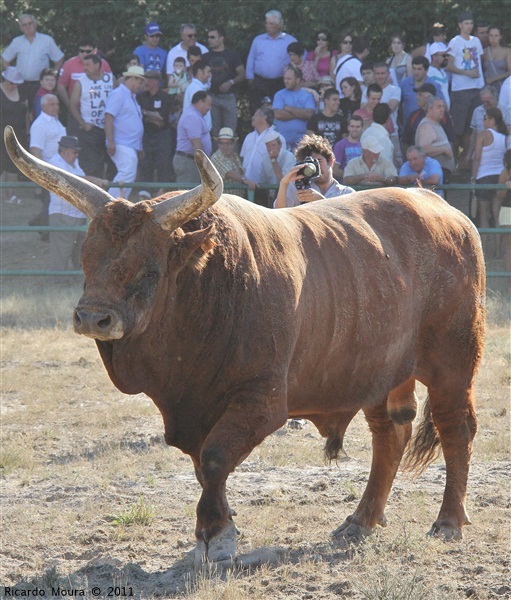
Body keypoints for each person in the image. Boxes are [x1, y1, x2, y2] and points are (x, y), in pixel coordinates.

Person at [48, 135, 108, 273]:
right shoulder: (55, 163)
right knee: (61, 250)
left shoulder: (74, 164)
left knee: (80, 249)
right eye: (75, 152)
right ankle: (58, 281)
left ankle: (77, 278)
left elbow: (81, 180)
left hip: (77, 213)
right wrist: (94, 180)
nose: (77, 155)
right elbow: (73, 180)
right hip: (63, 214)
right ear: (65, 151)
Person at [446, 12, 485, 165]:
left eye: (471, 23)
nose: (469, 26)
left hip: (477, 88)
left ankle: (466, 162)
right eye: (466, 23)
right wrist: (467, 73)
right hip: (461, 90)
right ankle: (454, 161)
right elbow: (449, 65)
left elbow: (479, 62)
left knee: (472, 127)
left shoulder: (476, 41)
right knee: (457, 129)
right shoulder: (455, 42)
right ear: (460, 25)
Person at [274, 133, 354, 208]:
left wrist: (320, 200)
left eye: (319, 161)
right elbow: (279, 213)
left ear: (330, 161)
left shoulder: (346, 193)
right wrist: (284, 184)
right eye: (310, 164)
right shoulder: (298, 188)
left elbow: (348, 219)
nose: (316, 168)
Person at [1, 14, 64, 107]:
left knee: (39, 112)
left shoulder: (46, 40)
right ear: (21, 28)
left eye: (30, 23)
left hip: (40, 85)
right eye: (24, 25)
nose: (28, 26)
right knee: (21, 113)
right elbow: (5, 59)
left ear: (35, 24)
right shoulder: (17, 42)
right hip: (20, 85)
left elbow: (59, 58)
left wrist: (52, 75)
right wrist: (11, 76)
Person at [69, 54, 115, 178]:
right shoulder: (81, 83)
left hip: (109, 128)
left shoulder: (110, 79)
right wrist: (83, 124)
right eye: (84, 65)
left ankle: (112, 193)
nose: (85, 68)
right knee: (93, 164)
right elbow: (73, 105)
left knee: (112, 162)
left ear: (97, 65)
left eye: (88, 65)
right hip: (91, 129)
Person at [104, 65, 145, 199]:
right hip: (120, 142)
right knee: (127, 171)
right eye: (139, 81)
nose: (140, 85)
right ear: (132, 79)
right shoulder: (118, 94)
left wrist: (139, 146)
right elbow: (109, 117)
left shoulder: (131, 97)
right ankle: (109, 204)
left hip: (129, 144)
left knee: (128, 173)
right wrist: (110, 141)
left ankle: (116, 202)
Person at [57, 37, 112, 134]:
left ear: (95, 51)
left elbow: (111, 84)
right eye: (81, 51)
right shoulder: (69, 64)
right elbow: (61, 86)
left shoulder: (103, 64)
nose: (84, 54)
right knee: (75, 141)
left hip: (101, 110)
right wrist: (70, 106)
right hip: (77, 109)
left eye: (88, 51)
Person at [246, 10, 297, 112]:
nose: (268, 26)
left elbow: (300, 60)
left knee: (278, 110)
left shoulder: (290, 41)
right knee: (257, 111)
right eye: (266, 23)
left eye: (271, 23)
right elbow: (251, 58)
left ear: (279, 25)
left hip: (280, 82)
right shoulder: (258, 40)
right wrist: (250, 78)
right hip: (260, 81)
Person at [203, 26, 246, 139]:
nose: (209, 40)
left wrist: (230, 82)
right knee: (214, 133)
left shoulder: (232, 55)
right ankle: (215, 157)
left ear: (221, 38)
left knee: (230, 133)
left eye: (213, 37)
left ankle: (232, 157)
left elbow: (242, 74)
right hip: (211, 97)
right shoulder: (205, 57)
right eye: (208, 37)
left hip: (228, 98)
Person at [137, 70, 173, 196]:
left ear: (156, 82)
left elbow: (162, 119)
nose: (147, 82)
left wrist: (146, 113)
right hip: (146, 135)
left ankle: (161, 192)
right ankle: (146, 193)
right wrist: (152, 116)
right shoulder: (141, 97)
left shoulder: (165, 97)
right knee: (146, 164)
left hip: (162, 135)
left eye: (150, 79)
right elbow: (140, 115)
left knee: (162, 163)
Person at [471, 107, 507, 229]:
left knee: (484, 218)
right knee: (497, 216)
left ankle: (483, 247)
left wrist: (473, 177)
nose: (483, 121)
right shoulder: (504, 137)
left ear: (492, 120)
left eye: (485, 118)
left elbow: (477, 158)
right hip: (500, 177)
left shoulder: (483, 134)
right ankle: (497, 248)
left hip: (483, 177)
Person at [0, 67, 28, 204]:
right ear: (5, 79)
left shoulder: (22, 92)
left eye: (17, 83)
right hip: (1, 135)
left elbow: (26, 112)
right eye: (12, 83)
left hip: (18, 135)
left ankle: (10, 195)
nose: (15, 85)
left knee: (13, 164)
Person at [240, 107, 285, 191]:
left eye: (255, 115)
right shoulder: (249, 137)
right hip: (245, 186)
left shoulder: (277, 138)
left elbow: (280, 161)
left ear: (264, 117)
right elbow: (243, 158)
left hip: (265, 187)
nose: (252, 117)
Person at [272, 66, 316, 150]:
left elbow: (309, 114)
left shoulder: (307, 96)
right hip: (281, 142)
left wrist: (288, 108)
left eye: (289, 79)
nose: (286, 81)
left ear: (298, 80)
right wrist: (300, 114)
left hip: (301, 142)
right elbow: (278, 115)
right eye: (285, 78)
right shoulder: (279, 95)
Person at [173, 91, 212, 183]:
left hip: (190, 161)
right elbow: (196, 143)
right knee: (188, 195)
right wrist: (204, 164)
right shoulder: (192, 117)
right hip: (187, 161)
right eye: (209, 104)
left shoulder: (194, 115)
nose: (209, 108)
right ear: (200, 102)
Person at [415, 97, 455, 182]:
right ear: (429, 109)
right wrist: (443, 149)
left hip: (442, 172)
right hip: (436, 173)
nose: (442, 110)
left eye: (443, 107)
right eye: (439, 107)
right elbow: (422, 149)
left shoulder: (435, 124)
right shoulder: (427, 125)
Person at [400, 56, 444, 126]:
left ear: (426, 70)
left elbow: (443, 105)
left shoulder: (434, 85)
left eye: (419, 69)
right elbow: (399, 105)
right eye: (414, 69)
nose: (416, 72)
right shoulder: (404, 84)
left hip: (429, 124)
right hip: (409, 125)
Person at [373, 62, 402, 165]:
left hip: (391, 133)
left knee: (396, 163)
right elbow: (364, 108)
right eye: (377, 73)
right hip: (372, 134)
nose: (380, 76)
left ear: (388, 74)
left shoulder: (395, 90)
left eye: (382, 73)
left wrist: (373, 107)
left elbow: (390, 109)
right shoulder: (367, 90)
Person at [210, 127, 246, 196]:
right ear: (218, 144)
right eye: (221, 143)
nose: (225, 146)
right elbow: (230, 174)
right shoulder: (216, 157)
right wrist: (245, 181)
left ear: (233, 144)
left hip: (236, 200)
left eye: (228, 143)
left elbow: (240, 172)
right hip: (223, 201)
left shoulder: (234, 156)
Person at [183, 60, 212, 131]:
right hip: (197, 132)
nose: (210, 75)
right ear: (200, 71)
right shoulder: (195, 88)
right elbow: (199, 111)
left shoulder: (197, 87)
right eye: (208, 72)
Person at [333, 114, 363, 181]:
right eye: (352, 126)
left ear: (362, 128)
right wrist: (352, 176)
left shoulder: (365, 145)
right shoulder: (340, 145)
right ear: (348, 128)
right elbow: (335, 170)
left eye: (357, 127)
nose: (354, 129)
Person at [482, 26, 511, 93]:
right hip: (488, 87)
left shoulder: (507, 51)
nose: (493, 38)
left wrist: (494, 78)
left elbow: (510, 71)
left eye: (496, 36)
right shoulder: (484, 52)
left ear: (500, 37)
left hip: (503, 85)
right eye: (491, 35)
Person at [496, 149, 511, 269]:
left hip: (506, 211)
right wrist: (506, 187)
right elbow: (499, 195)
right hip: (507, 210)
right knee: (510, 248)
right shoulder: (505, 173)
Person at [427, 42, 450, 109]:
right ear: (434, 57)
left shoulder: (443, 72)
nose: (446, 58)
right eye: (443, 55)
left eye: (447, 55)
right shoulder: (429, 73)